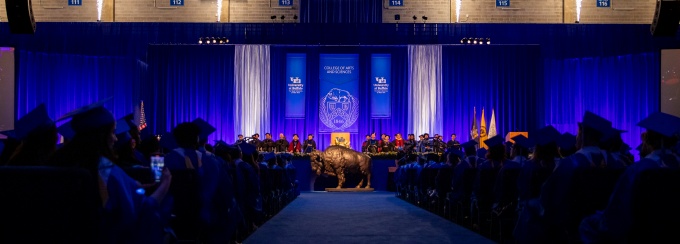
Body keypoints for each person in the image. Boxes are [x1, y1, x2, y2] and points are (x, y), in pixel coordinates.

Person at [48, 100, 172, 244]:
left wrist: (130, 187)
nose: (115, 138)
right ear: (101, 135)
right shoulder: (105, 170)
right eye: (112, 132)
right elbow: (138, 213)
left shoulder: (54, 164)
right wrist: (165, 183)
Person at [580, 112, 680, 243]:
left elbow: (617, 210)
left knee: (586, 224)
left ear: (648, 139)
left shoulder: (639, 169)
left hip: (643, 231)